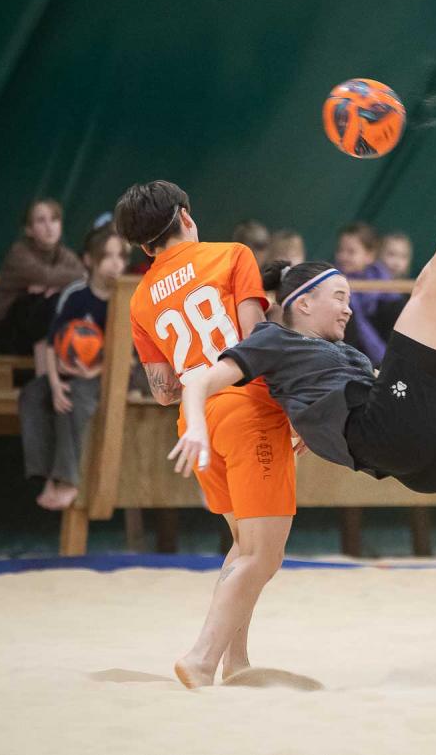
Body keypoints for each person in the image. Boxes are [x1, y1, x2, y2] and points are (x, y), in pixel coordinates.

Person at [171, 96, 436, 663]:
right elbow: (202, 379)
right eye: (339, 296)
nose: (348, 308)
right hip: (381, 432)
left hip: (418, 443)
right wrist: (197, 427)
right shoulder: (275, 339)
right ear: (302, 303)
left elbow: (402, 387)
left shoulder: (343, 352)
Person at [115, 181, 295, 690]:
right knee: (264, 555)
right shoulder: (232, 255)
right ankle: (201, 657)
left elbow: (163, 390)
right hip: (247, 409)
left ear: (144, 245)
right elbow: (257, 344)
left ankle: (236, 661)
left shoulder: (140, 298)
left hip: (198, 423)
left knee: (244, 546)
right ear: (186, 217)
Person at [18, 224, 129, 510]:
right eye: (107, 256)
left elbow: (131, 355)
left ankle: (68, 480)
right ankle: (45, 476)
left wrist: (94, 371)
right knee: (33, 393)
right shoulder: (75, 295)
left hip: (110, 374)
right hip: (67, 372)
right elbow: (52, 343)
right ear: (89, 260)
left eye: (121, 256)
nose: (115, 263)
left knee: (74, 398)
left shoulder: (128, 298)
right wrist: (54, 385)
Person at [0, 198, 86, 365]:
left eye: (54, 220)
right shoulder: (19, 253)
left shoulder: (64, 254)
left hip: (39, 329)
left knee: (63, 302)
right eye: (41, 221)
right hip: (5, 334)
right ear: (29, 230)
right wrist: (56, 282)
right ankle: (44, 374)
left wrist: (57, 286)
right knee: (46, 303)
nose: (49, 227)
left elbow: (85, 276)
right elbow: (48, 276)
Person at [333, 222, 397, 365]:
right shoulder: (333, 280)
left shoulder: (383, 281)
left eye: (351, 252)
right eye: (340, 250)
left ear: (369, 255)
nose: (343, 256)